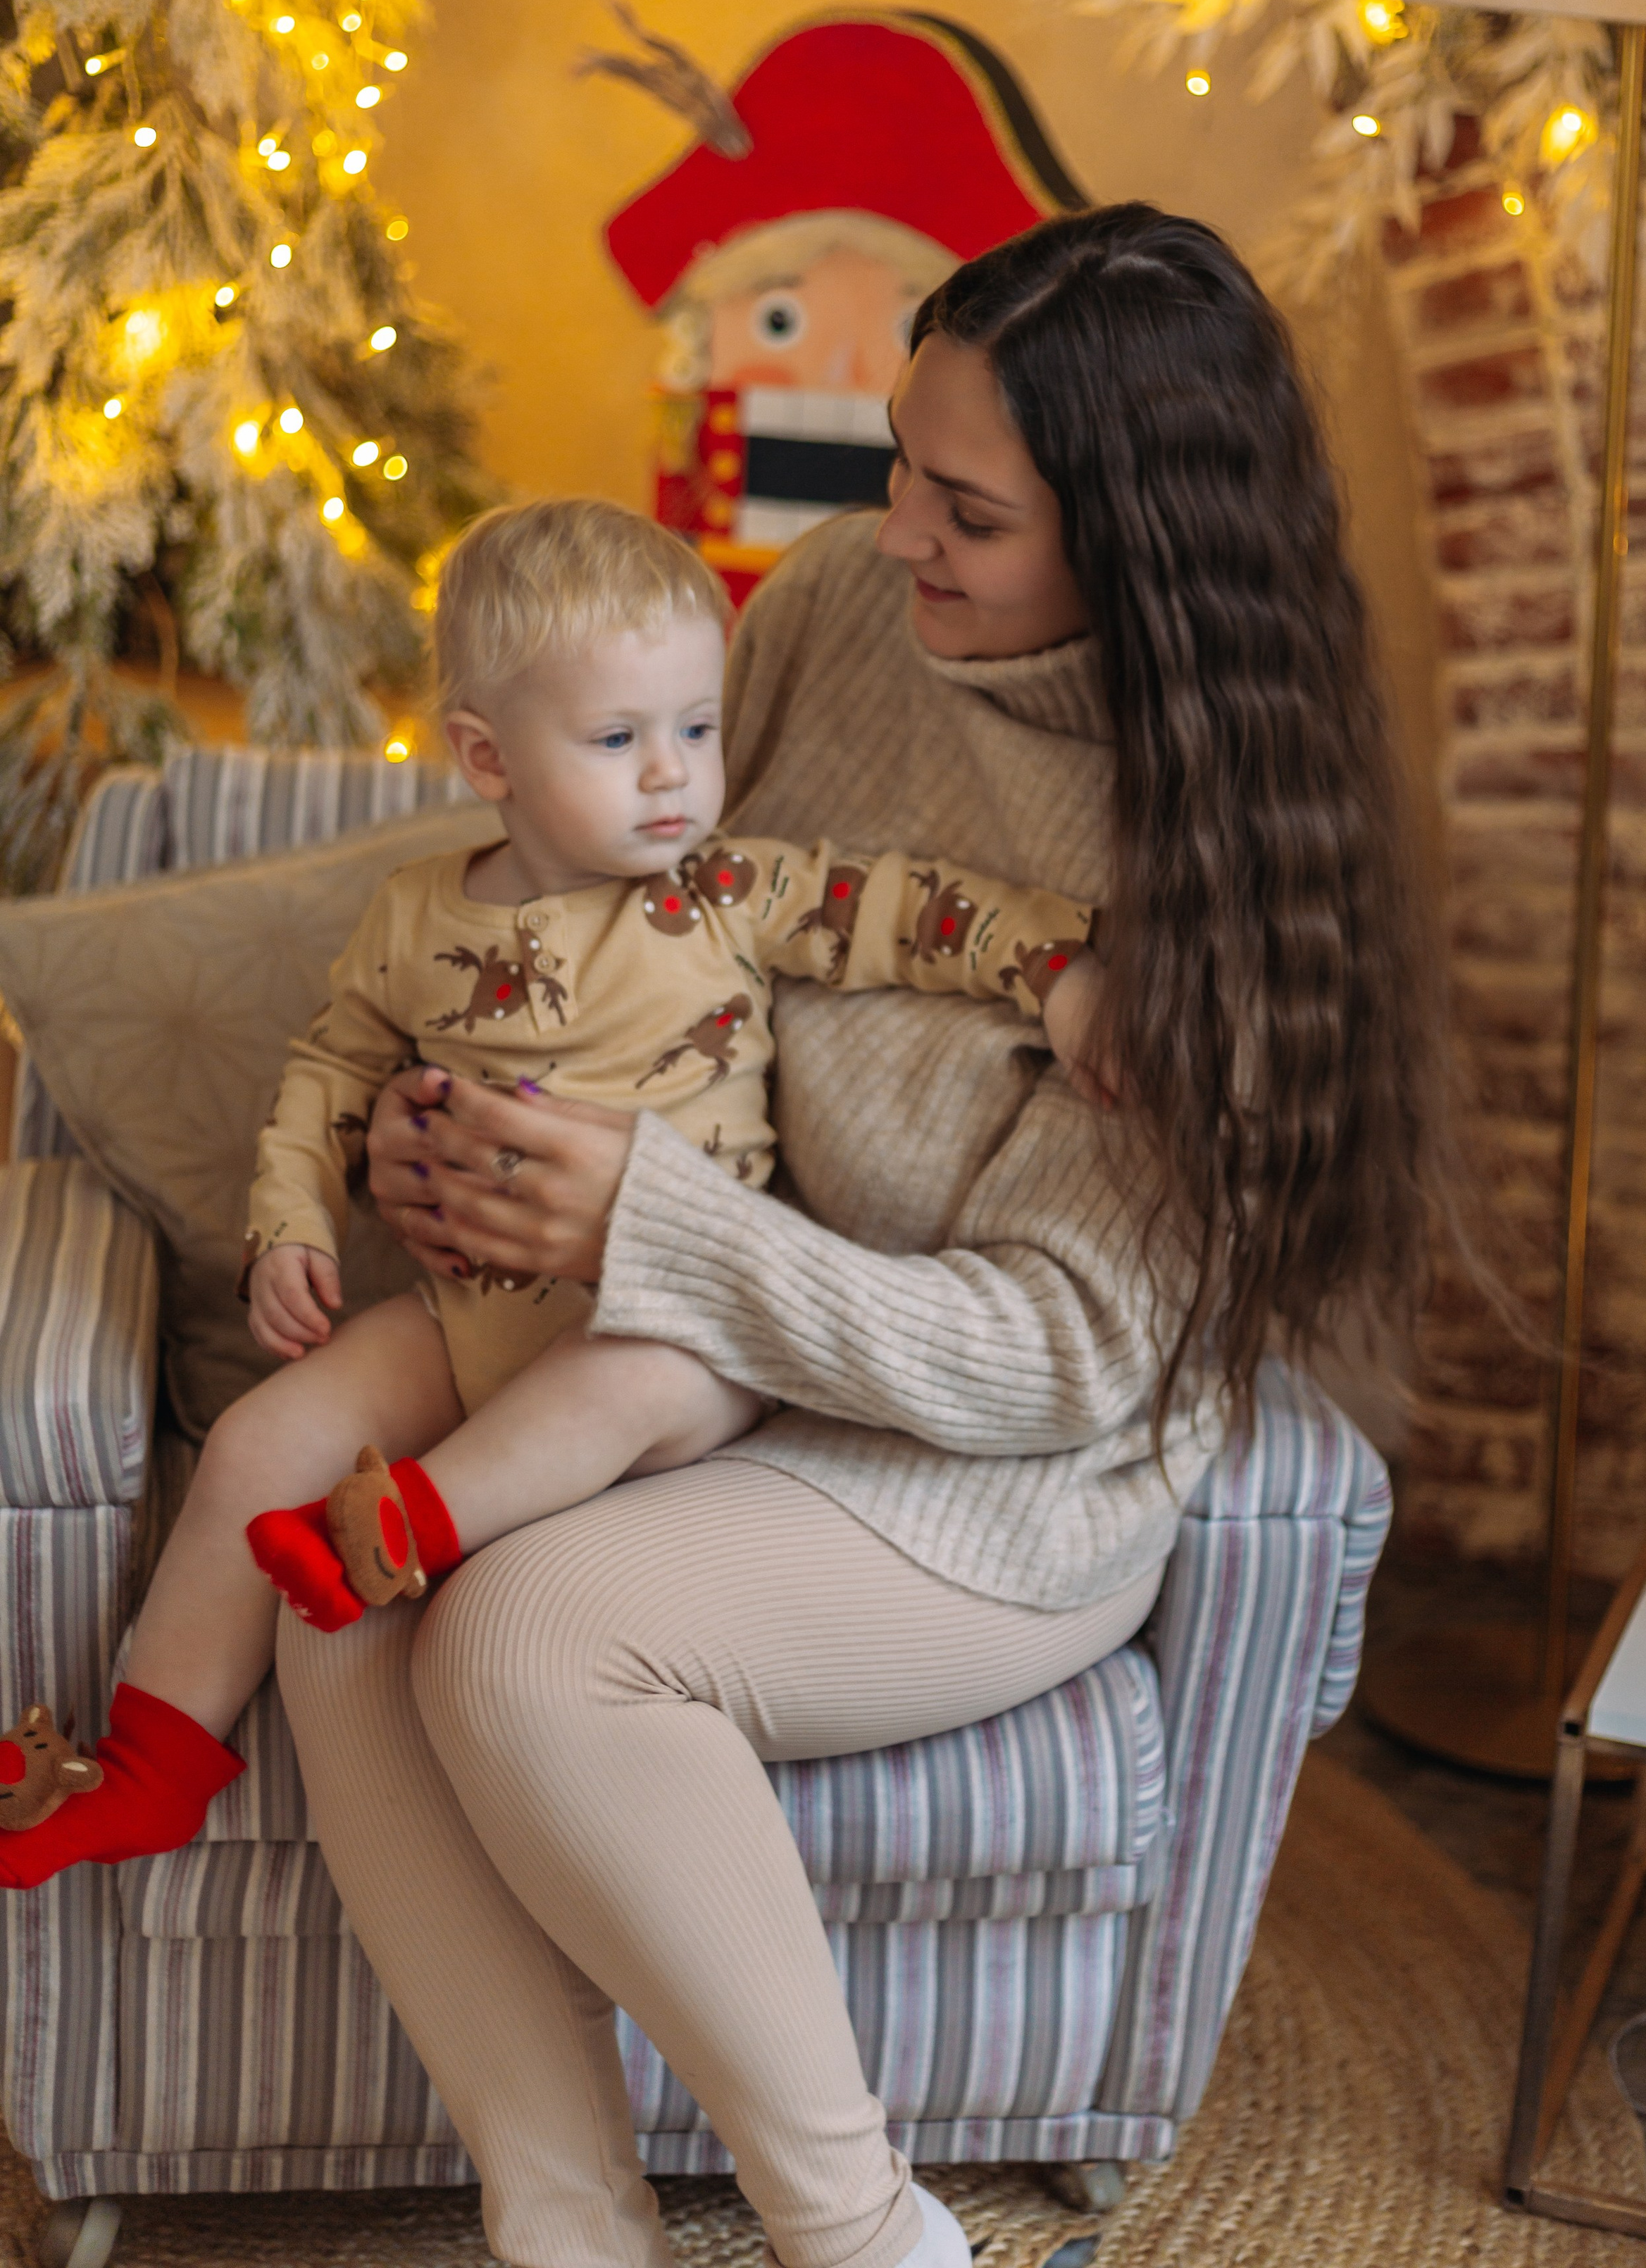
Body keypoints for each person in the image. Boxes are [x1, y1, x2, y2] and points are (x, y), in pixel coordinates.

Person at [235, 204, 1447, 2268]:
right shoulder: (830, 612)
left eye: (963, 508)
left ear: (1135, 548)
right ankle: (566, 2221)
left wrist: (657, 1227)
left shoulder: (1213, 867)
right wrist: (455, 1133)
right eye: (900, 463)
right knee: (338, 1577)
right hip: (705, 1360)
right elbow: (640, 919)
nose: (896, 533)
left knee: (530, 1644)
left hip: (1000, 1475)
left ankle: (859, 2226)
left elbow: (1065, 1361)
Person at [0, 502, 1101, 1894]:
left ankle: (413, 1527)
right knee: (260, 1441)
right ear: (485, 757)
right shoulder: (417, 917)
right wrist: (285, 1219)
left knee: (617, 1387)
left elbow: (905, 908)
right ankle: (148, 1766)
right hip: (468, 1316)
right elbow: (328, 1069)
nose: (674, 779)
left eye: (695, 730)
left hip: (680, 1334)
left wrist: (1058, 966)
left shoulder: (722, 892)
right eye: (618, 739)